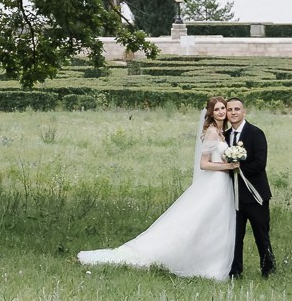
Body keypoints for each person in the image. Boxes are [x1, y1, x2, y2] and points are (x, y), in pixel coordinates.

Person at [77, 97, 238, 279]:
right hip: (213, 184)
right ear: (210, 112)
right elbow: (204, 164)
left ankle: (212, 261)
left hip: (222, 185)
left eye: (223, 108)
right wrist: (228, 166)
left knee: (215, 224)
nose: (221, 112)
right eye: (216, 109)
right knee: (197, 221)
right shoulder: (211, 132)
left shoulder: (221, 132)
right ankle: (190, 260)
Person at [221, 96, 274, 278]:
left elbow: (260, 164)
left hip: (255, 195)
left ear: (244, 111)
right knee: (235, 236)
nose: (233, 112)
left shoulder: (256, 133)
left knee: (261, 234)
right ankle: (235, 271)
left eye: (237, 109)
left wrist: (239, 168)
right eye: (230, 110)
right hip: (232, 196)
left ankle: (268, 269)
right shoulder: (225, 137)